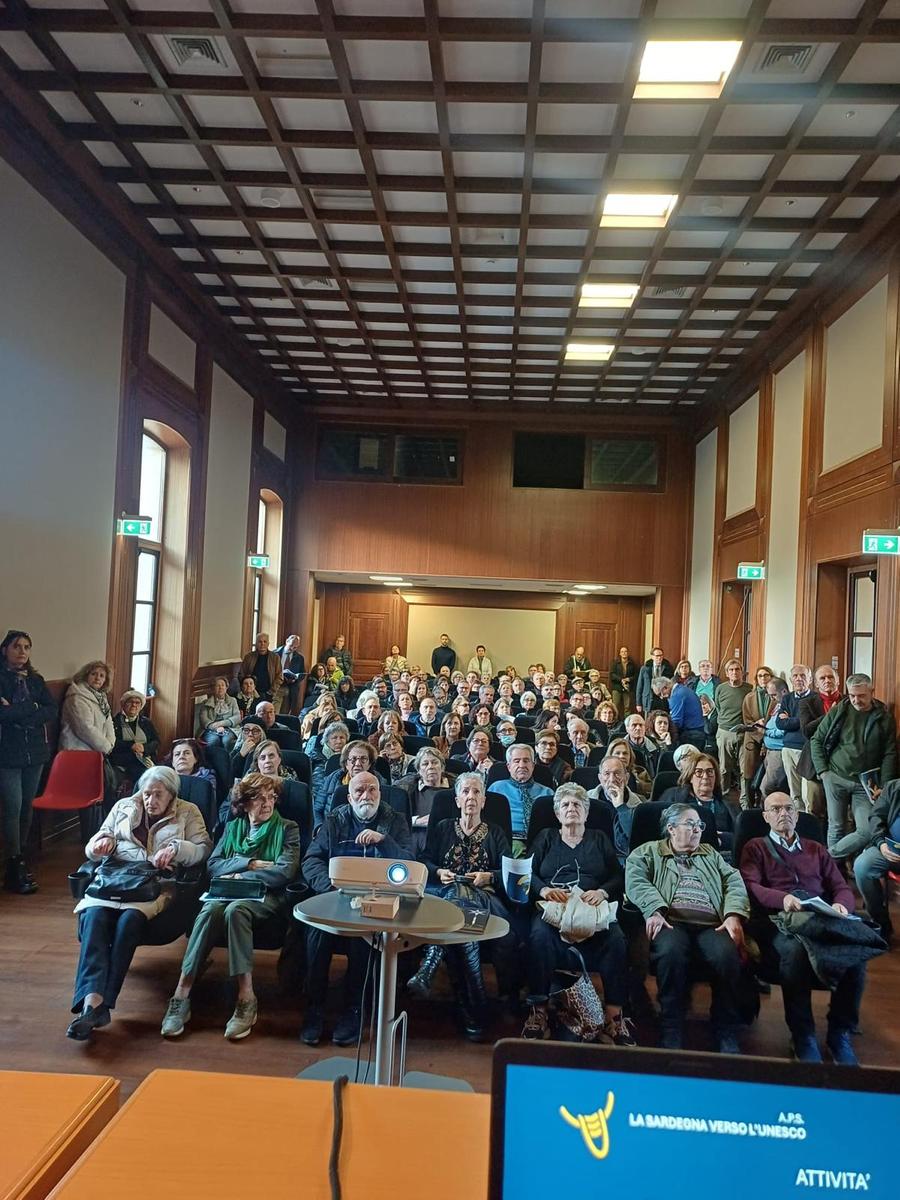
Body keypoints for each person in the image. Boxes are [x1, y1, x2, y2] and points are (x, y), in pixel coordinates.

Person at [68, 766, 211, 1040]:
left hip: (152, 886)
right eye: (147, 794)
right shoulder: (123, 806)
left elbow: (204, 848)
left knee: (129, 922)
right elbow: (96, 841)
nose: (150, 800)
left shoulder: (188, 811)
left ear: (171, 795)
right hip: (113, 880)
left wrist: (177, 849)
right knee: (93, 917)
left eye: (158, 794)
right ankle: (92, 1004)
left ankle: (101, 1004)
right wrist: (98, 846)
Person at [160, 772, 299, 1040]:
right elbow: (214, 866)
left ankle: (246, 997)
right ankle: (181, 993)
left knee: (237, 911)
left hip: (266, 896)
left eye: (271, 797)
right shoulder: (233, 827)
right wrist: (249, 863)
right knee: (209, 911)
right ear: (244, 803)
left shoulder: (287, 828)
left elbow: (284, 871)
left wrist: (240, 876)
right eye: (259, 798)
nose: (267, 803)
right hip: (225, 892)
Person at [739, 791, 867, 1064]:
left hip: (818, 918)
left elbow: (840, 886)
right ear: (766, 816)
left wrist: (842, 905)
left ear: (797, 815)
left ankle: (840, 1032)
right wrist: (783, 899)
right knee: (796, 954)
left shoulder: (815, 849)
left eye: (789, 808)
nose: (783, 813)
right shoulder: (755, 847)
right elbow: (750, 886)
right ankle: (803, 1034)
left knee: (855, 956)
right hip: (778, 920)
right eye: (776, 809)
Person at [625, 801, 750, 1052]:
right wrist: (654, 910)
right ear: (671, 828)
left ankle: (724, 1027)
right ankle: (671, 1025)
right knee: (670, 953)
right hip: (670, 921)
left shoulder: (710, 854)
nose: (697, 830)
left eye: (700, 825)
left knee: (727, 955)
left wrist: (733, 915)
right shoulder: (647, 852)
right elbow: (636, 881)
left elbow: (734, 883)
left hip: (712, 924)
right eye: (690, 824)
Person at [301, 771, 413, 1046]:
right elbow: (312, 860)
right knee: (317, 936)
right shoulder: (334, 820)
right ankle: (314, 1008)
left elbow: (409, 863)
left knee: (363, 941)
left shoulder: (395, 821)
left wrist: (383, 841)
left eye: (372, 790)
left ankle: (354, 1010)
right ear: (349, 798)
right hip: (336, 896)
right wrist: (329, 887)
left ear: (380, 794)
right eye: (359, 791)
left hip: (378, 900)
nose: (366, 796)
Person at [522, 783, 634, 1045]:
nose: (571, 808)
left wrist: (603, 892)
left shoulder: (598, 838)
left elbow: (618, 876)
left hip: (591, 907)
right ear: (557, 813)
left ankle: (614, 1016)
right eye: (565, 805)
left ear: (586, 812)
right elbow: (526, 871)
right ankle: (539, 1011)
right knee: (538, 936)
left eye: (577, 805)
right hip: (554, 906)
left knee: (616, 940)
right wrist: (544, 889)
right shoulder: (546, 837)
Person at [414, 772, 518, 1039]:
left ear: (483, 801)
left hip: (486, 900)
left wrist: (488, 876)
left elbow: (510, 872)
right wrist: (439, 872)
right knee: (462, 924)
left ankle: (430, 963)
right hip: (446, 897)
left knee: (461, 900)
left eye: (476, 792)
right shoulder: (443, 828)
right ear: (457, 800)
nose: (471, 797)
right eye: (466, 792)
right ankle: (476, 1010)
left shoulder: (495, 833)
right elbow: (424, 860)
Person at [810, 672, 898, 858]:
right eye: (852, 695)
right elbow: (816, 740)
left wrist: (885, 785)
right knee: (836, 826)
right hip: (835, 776)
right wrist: (823, 771)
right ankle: (834, 871)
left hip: (866, 784)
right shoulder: (840, 711)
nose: (856, 700)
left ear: (872, 691)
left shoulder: (884, 718)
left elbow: (889, 754)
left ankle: (826, 858)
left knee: (866, 831)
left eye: (861, 695)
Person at [0, 630, 55, 894]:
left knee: (26, 809)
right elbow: (3, 716)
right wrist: (31, 709)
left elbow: (50, 710)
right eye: (17, 646)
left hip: (35, 751)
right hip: (7, 752)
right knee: (13, 806)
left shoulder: (35, 680)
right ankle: (13, 861)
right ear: (5, 650)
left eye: (26, 647)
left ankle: (20, 857)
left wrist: (17, 712)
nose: (22, 651)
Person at [854, 777, 900, 940]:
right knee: (862, 865)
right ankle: (881, 923)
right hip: (890, 849)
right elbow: (876, 817)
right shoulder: (894, 787)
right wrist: (881, 844)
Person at [490, 744, 554, 855]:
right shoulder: (496, 788)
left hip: (541, 841)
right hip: (508, 840)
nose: (522, 765)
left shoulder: (548, 793)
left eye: (526, 761)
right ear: (509, 766)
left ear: (533, 765)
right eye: (516, 761)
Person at [776, 665, 818, 814]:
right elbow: (780, 723)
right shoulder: (787, 698)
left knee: (808, 794)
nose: (799, 679)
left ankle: (807, 819)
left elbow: (812, 725)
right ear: (791, 679)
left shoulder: (816, 698)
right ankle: (797, 819)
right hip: (788, 748)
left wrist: (791, 720)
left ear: (810, 679)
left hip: (806, 749)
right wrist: (801, 720)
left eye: (803, 675)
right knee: (795, 793)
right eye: (795, 676)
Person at [587, 755, 644, 865]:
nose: (612, 779)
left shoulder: (640, 804)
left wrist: (621, 807)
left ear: (626, 778)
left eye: (617, 773)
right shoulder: (586, 800)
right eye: (607, 774)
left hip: (626, 860)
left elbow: (635, 839)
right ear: (600, 778)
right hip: (593, 857)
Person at [393, 746, 451, 853]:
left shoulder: (455, 788)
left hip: (446, 837)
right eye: (425, 764)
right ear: (419, 770)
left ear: (442, 767)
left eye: (435, 762)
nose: (431, 767)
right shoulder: (407, 787)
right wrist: (417, 821)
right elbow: (396, 818)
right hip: (416, 835)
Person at [316, 738, 380, 825]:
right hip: (331, 827)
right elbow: (317, 810)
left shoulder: (380, 783)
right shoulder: (330, 780)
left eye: (363, 759)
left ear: (369, 764)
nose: (358, 763)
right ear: (346, 763)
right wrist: (320, 828)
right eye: (353, 759)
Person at [60, 660, 116, 757]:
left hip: (96, 749)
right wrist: (106, 746)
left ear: (105, 680)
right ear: (85, 676)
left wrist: (110, 743)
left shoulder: (101, 696)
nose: (97, 678)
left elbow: (108, 720)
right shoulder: (77, 696)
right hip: (76, 751)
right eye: (93, 674)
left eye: (102, 676)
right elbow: (84, 728)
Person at [738, 665, 775, 809]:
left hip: (770, 739)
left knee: (766, 776)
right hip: (752, 738)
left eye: (766, 675)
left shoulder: (776, 697)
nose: (763, 678)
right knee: (749, 773)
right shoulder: (749, 697)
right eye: (760, 676)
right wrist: (757, 727)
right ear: (756, 679)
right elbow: (746, 720)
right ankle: (748, 804)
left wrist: (766, 731)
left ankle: (763, 805)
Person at [714, 660, 752, 792]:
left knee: (745, 769)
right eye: (731, 670)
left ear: (742, 672)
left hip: (744, 732)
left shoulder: (749, 689)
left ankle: (744, 798)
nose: (734, 672)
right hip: (725, 732)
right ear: (727, 673)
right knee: (724, 768)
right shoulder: (720, 689)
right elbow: (718, 707)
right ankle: (723, 795)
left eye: (737, 669)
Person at [110, 690, 160, 789]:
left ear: (141, 706)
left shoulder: (146, 722)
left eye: (137, 703)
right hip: (123, 761)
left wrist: (144, 748)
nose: (134, 705)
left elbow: (156, 741)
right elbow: (111, 742)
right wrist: (131, 746)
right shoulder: (114, 722)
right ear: (123, 705)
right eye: (130, 702)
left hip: (145, 759)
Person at [166, 738, 218, 808]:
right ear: (172, 762)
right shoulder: (165, 779)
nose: (181, 757)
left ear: (196, 759)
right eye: (177, 754)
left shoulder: (207, 778)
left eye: (187, 753)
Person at [310, 720, 349, 808]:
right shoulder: (316, 757)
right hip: (317, 796)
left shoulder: (350, 759)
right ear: (327, 741)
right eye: (334, 738)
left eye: (342, 738)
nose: (339, 741)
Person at [196, 676, 242, 754]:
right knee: (213, 741)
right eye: (217, 685)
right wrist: (215, 727)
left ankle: (229, 760)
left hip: (229, 728)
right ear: (213, 688)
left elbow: (237, 717)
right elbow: (204, 720)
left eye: (222, 685)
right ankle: (212, 760)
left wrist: (222, 723)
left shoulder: (233, 700)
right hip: (211, 729)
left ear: (226, 687)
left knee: (227, 741)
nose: (220, 688)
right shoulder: (206, 703)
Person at [238, 633, 284, 705]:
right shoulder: (249, 657)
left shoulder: (275, 657)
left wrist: (271, 691)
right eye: (260, 642)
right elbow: (242, 674)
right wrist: (247, 688)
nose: (262, 644)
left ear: (268, 644)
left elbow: (279, 676)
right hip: (251, 692)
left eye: (265, 642)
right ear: (256, 643)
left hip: (269, 692)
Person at [667, 672, 706, 750]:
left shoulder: (677, 694)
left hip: (691, 734)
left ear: (665, 688)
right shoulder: (683, 689)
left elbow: (677, 721)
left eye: (660, 693)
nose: (661, 697)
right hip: (699, 731)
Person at [636, 647, 674, 717]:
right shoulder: (645, 668)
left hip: (663, 699)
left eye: (661, 655)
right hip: (649, 698)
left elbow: (671, 684)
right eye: (657, 656)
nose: (659, 658)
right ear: (652, 657)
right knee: (649, 720)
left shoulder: (668, 667)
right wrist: (638, 703)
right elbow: (640, 686)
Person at [274, 635, 306, 714]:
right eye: (291, 645)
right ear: (286, 641)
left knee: (285, 713)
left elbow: (302, 673)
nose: (292, 649)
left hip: (291, 688)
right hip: (277, 686)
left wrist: (296, 678)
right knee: (274, 711)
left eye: (295, 647)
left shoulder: (299, 658)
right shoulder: (275, 654)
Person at [610, 646, 637, 718]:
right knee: (615, 706)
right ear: (620, 653)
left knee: (627, 707)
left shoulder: (632, 664)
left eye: (625, 651)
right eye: (622, 652)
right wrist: (621, 679)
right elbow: (612, 675)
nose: (624, 653)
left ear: (628, 653)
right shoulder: (615, 663)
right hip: (617, 687)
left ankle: (626, 721)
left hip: (628, 687)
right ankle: (614, 720)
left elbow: (636, 675)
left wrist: (629, 679)